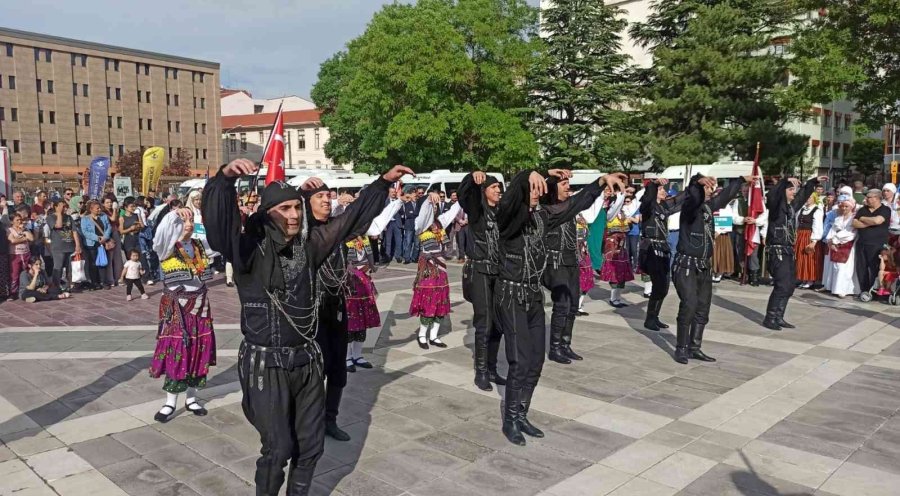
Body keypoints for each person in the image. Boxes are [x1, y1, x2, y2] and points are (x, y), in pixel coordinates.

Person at [203, 158, 410, 496]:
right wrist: (224, 180)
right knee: (278, 449)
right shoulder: (246, 252)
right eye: (285, 208)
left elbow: (350, 220)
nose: (295, 215)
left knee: (311, 447)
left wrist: (382, 183)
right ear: (268, 213)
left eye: (296, 207)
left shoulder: (309, 247)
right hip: (265, 364)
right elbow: (218, 227)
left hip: (307, 362)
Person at [495, 169, 624, 445]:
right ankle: (510, 421)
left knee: (536, 361)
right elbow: (509, 203)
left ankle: (521, 414)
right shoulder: (508, 218)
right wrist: (527, 174)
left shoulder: (543, 216)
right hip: (510, 296)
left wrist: (600, 183)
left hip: (532, 296)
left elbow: (575, 204)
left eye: (537, 189)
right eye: (531, 189)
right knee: (519, 360)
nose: (536, 194)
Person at [672, 174, 751, 363]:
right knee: (689, 305)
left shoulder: (708, 208)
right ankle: (681, 348)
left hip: (703, 266)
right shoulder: (689, 208)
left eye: (711, 188)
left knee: (702, 309)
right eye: (707, 187)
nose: (711, 190)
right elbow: (695, 196)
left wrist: (740, 180)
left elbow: (724, 198)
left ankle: (695, 347)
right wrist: (696, 184)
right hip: (686, 266)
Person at [149, 207, 216, 423]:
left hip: (200, 304)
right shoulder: (166, 247)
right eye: (183, 222)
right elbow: (161, 234)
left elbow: (218, 240)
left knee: (198, 348)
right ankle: (170, 402)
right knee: (176, 349)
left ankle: (192, 397)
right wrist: (173, 215)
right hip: (177, 307)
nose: (188, 225)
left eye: (191, 220)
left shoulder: (198, 245)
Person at [458, 171, 506, 391]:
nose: (498, 191)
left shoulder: (502, 212)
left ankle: (493, 368)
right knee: (484, 323)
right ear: (484, 190)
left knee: (499, 324)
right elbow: (463, 195)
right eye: (494, 187)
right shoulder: (477, 212)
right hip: (480, 272)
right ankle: (482, 371)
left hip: (500, 273)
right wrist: (471, 177)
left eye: (499, 187)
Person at [761, 175, 824, 330]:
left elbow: (802, 196)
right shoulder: (776, 207)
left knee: (789, 286)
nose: (793, 192)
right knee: (781, 285)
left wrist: (813, 182)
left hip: (789, 250)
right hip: (777, 251)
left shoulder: (791, 208)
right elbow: (772, 195)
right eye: (790, 189)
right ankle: (770, 318)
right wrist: (784, 181)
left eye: (793, 189)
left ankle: (779, 316)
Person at [411, 191, 462, 349]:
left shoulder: (440, 224)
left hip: (441, 268)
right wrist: (428, 200)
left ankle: (434, 336)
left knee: (440, 299)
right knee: (427, 300)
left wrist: (465, 196)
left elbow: (453, 210)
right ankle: (422, 335)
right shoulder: (420, 226)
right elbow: (423, 215)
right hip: (428, 268)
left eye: (435, 206)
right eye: (432, 207)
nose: (434, 209)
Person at [638, 179, 684, 331]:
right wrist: (653, 184)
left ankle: (654, 317)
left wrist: (696, 187)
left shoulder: (663, 207)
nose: (664, 191)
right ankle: (649, 319)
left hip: (663, 247)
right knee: (658, 285)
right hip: (651, 248)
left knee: (663, 287)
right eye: (661, 189)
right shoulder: (647, 207)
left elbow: (679, 199)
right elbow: (647, 198)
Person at [852, 189, 892, 302]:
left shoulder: (885, 209)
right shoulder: (862, 209)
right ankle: (864, 291)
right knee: (861, 268)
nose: (866, 199)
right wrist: (869, 222)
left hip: (877, 245)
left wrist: (863, 219)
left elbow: (877, 221)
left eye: (869, 197)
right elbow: (854, 223)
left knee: (875, 268)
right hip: (862, 243)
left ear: (877, 198)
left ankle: (874, 291)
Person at [822, 195, 859, 298]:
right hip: (835, 245)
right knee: (835, 266)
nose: (844, 208)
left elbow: (851, 233)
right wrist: (830, 240)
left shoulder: (853, 218)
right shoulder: (838, 218)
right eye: (842, 206)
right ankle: (833, 287)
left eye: (846, 206)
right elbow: (832, 229)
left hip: (847, 245)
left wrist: (836, 239)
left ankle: (843, 289)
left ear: (851, 207)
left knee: (845, 267)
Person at [46, 200, 82, 291]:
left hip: (70, 246)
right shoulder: (51, 217)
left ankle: (70, 285)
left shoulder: (69, 217)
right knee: (58, 267)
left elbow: (74, 231)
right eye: (62, 206)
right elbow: (58, 225)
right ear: (56, 207)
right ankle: (56, 286)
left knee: (70, 268)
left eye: (65, 206)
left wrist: (77, 245)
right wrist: (59, 213)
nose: (64, 208)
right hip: (58, 247)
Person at [80, 200, 112, 290]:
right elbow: (85, 232)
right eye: (97, 208)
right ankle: (95, 282)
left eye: (99, 208)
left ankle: (104, 281)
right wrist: (97, 238)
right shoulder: (85, 219)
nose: (99, 210)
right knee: (93, 263)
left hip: (103, 243)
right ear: (91, 209)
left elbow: (108, 227)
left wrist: (105, 237)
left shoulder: (104, 216)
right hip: (91, 243)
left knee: (103, 262)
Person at [794, 194, 824, 289]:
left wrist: (814, 241)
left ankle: (810, 279)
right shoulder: (802, 209)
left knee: (809, 258)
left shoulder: (817, 210)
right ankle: (803, 278)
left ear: (814, 199)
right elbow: (797, 223)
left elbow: (817, 226)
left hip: (809, 236)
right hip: (800, 235)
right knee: (800, 257)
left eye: (809, 197)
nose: (807, 199)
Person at [7, 214, 34, 301]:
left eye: (20, 220)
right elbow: (13, 240)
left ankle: (26, 290)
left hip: (26, 253)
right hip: (15, 254)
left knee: (26, 272)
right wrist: (25, 238)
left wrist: (24, 232)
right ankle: (13, 293)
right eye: (17, 220)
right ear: (12, 222)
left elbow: (32, 238)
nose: (20, 222)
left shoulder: (25, 229)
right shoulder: (9, 230)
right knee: (14, 274)